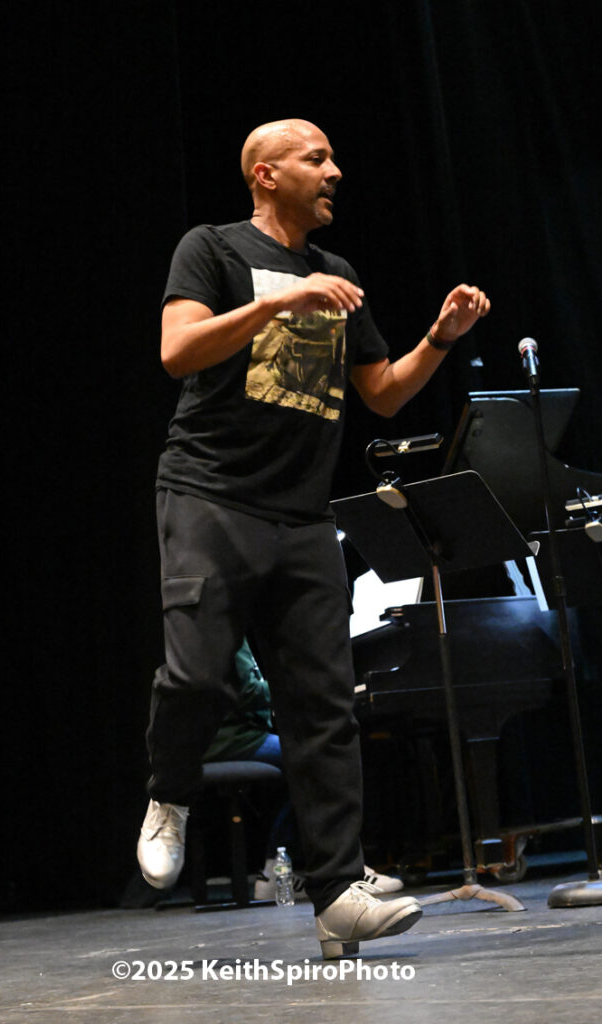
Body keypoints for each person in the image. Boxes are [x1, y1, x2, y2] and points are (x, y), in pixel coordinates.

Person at [137, 118, 491, 958]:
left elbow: (384, 395)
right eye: (316, 159)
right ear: (266, 173)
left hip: (300, 514)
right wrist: (273, 302)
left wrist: (437, 339)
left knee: (324, 706)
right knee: (193, 676)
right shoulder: (212, 248)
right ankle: (167, 796)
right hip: (210, 495)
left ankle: (336, 894)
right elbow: (177, 352)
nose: (335, 171)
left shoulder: (337, 272)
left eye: (332, 158)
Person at [191, 637, 404, 900]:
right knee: (321, 762)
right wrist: (302, 687)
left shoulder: (221, 630)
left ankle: (282, 870)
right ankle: (343, 870)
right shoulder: (227, 636)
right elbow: (248, 692)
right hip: (232, 739)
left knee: (311, 762)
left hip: (230, 736)